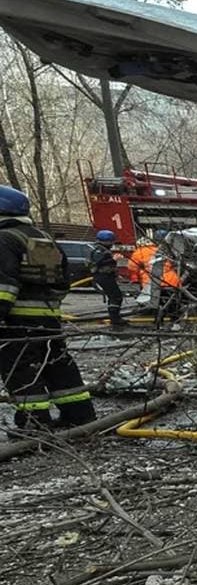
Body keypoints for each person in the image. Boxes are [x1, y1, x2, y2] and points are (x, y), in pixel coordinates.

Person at [0, 185, 96, 432]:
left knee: (21, 370)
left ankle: (34, 423)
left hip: (16, 323)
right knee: (58, 366)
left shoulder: (4, 239)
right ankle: (80, 415)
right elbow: (63, 281)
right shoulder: (42, 238)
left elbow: (4, 286)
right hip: (49, 319)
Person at [87, 230, 126, 329]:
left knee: (114, 296)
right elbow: (100, 263)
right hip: (103, 276)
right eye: (111, 241)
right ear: (105, 241)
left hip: (106, 276)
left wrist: (116, 275)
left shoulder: (101, 249)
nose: (112, 244)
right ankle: (115, 319)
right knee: (116, 297)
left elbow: (108, 265)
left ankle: (115, 317)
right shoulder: (99, 250)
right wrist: (114, 259)